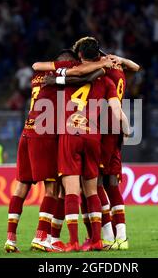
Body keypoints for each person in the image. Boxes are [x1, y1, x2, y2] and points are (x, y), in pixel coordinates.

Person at [4, 50, 110, 253]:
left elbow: (37, 64)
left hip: (26, 132)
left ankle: (11, 239)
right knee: (54, 188)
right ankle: (42, 237)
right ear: (68, 64)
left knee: (21, 187)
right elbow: (86, 74)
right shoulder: (65, 74)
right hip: (44, 135)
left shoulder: (39, 76)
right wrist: (103, 63)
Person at [58, 38, 130, 252]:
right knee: (104, 185)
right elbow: (118, 111)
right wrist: (126, 132)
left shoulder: (74, 75)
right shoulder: (111, 75)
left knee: (84, 187)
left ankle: (91, 238)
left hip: (77, 133)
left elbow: (43, 71)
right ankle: (113, 237)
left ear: (80, 56)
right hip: (102, 135)